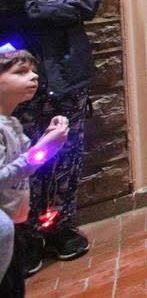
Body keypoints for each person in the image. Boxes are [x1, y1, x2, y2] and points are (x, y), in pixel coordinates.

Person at [0, 0, 101, 275]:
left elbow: (85, 5)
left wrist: (32, 10)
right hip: (12, 84)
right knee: (17, 160)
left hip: (66, 75)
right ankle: (23, 238)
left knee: (64, 156)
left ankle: (58, 228)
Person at [0, 47, 68, 296]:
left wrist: (49, 140)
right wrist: (42, 149)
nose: (33, 77)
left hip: (12, 222)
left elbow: (27, 161)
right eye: (21, 72)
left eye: (34, 72)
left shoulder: (13, 123)